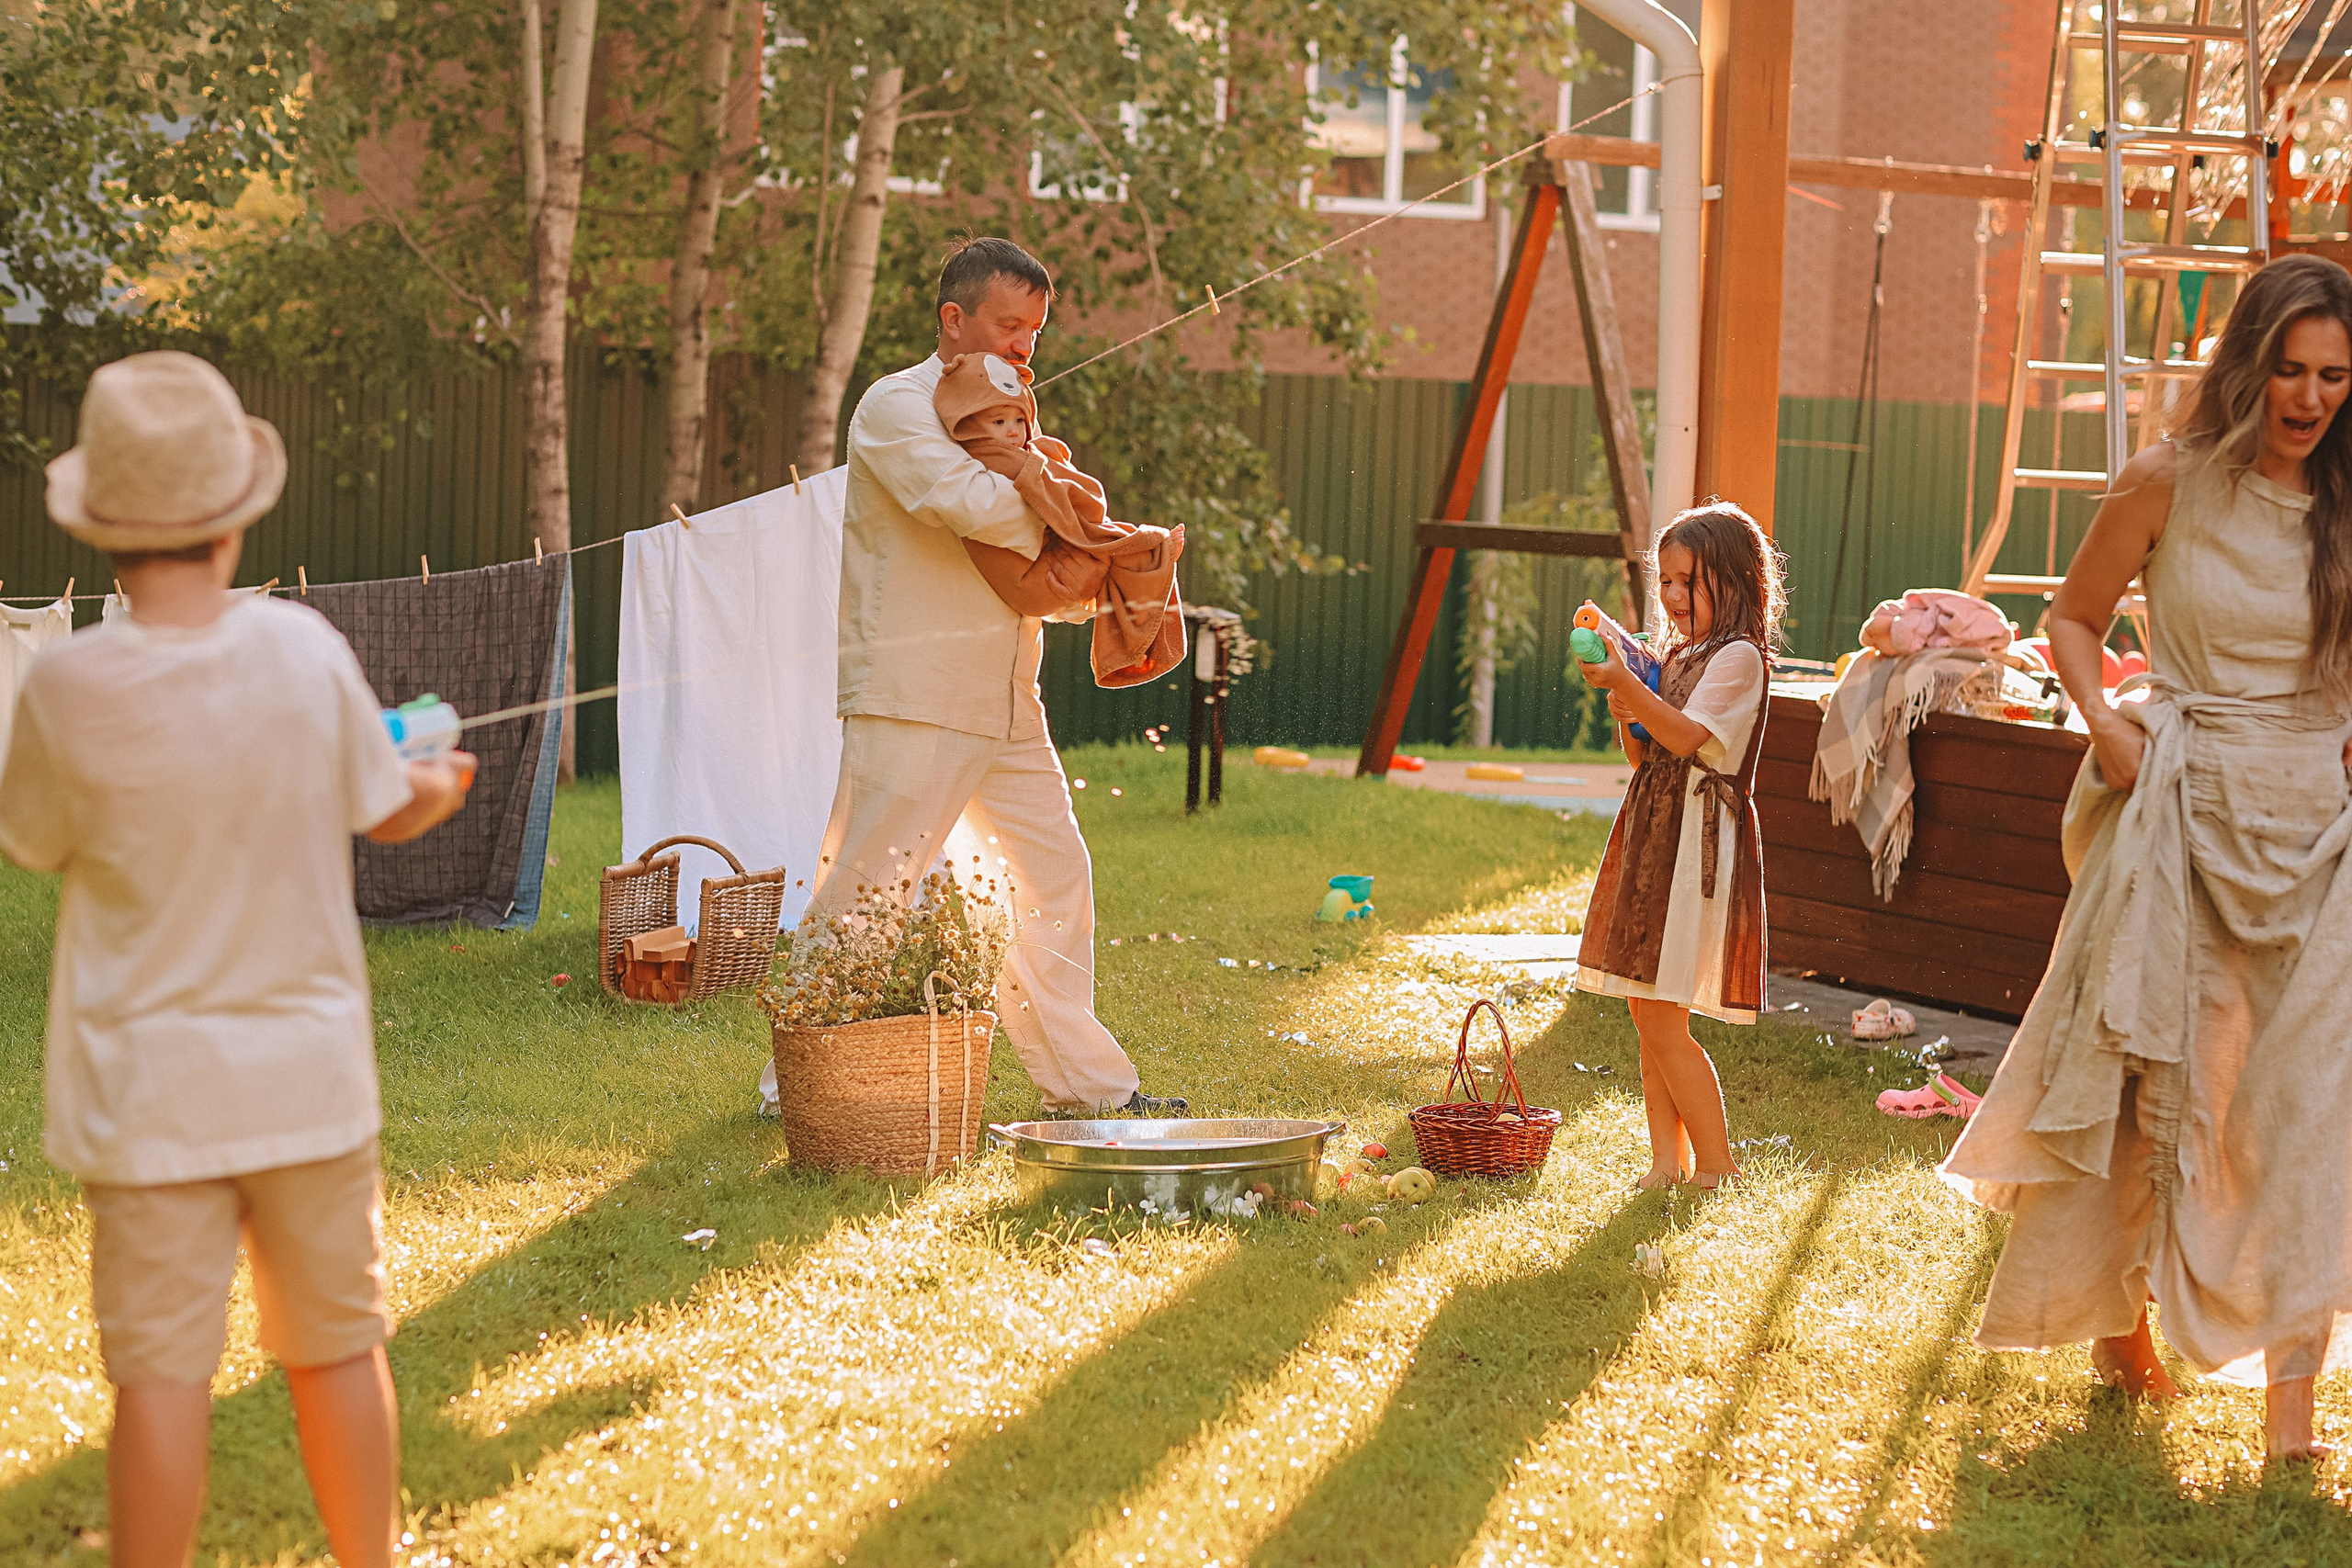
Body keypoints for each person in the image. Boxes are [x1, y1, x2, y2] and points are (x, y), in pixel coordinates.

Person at [0, 351, 475, 1567]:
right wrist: (438, 784)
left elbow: (33, 838)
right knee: (338, 1346)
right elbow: (389, 804)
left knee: (160, 1377)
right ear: (233, 519)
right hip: (305, 1083)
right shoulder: (301, 648)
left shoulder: (64, 682)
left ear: (104, 529)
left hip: (144, 1096)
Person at [1941, 253, 2352, 1463]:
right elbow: (2072, 618)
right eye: (2289, 368)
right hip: (2182, 809)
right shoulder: (2165, 480)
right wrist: (2105, 719)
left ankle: (2291, 1414)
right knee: (2149, 1088)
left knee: (2307, 1109)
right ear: (2248, 363)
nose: (2310, 397)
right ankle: (2118, 1330)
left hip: (2319, 831)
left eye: (2335, 375)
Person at [814, 235, 1184, 1116]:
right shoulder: (895, 406)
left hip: (1009, 698)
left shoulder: (1011, 423)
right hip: (913, 693)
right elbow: (972, 505)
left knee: (1055, 876)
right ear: (954, 317)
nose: (1024, 346)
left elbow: (1037, 575)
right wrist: (1090, 530)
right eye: (1009, 325)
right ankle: (797, 1082)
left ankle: (1089, 1091)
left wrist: (1107, 571)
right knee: (869, 891)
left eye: (1036, 332)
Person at [1573, 502, 1784, 1190]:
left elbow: (1690, 739)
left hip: (1696, 845)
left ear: (1734, 581)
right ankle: (1668, 1162)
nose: (1671, 594)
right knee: (1647, 1009)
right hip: (1655, 835)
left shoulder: (1739, 658)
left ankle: (1717, 1166)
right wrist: (1625, 708)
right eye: (1664, 580)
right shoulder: (1680, 654)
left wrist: (1628, 685)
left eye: (1687, 580)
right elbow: (1646, 755)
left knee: (1665, 1018)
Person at [932, 347, 1186, 686]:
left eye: (1019, 421)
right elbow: (1060, 499)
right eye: (999, 422)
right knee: (1117, 548)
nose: (1013, 431)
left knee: (1113, 546)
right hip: (1031, 584)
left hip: (1042, 576)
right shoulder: (984, 457)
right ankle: (1138, 629)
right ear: (968, 425)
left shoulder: (1011, 452)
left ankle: (1139, 635)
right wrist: (1048, 470)